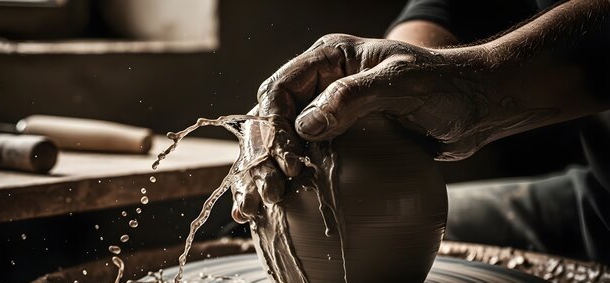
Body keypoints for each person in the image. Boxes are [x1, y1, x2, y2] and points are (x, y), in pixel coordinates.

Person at [230, 0, 610, 264]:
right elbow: (446, 8)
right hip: (594, 201)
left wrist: (475, 88)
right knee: (248, 230)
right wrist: (381, 92)